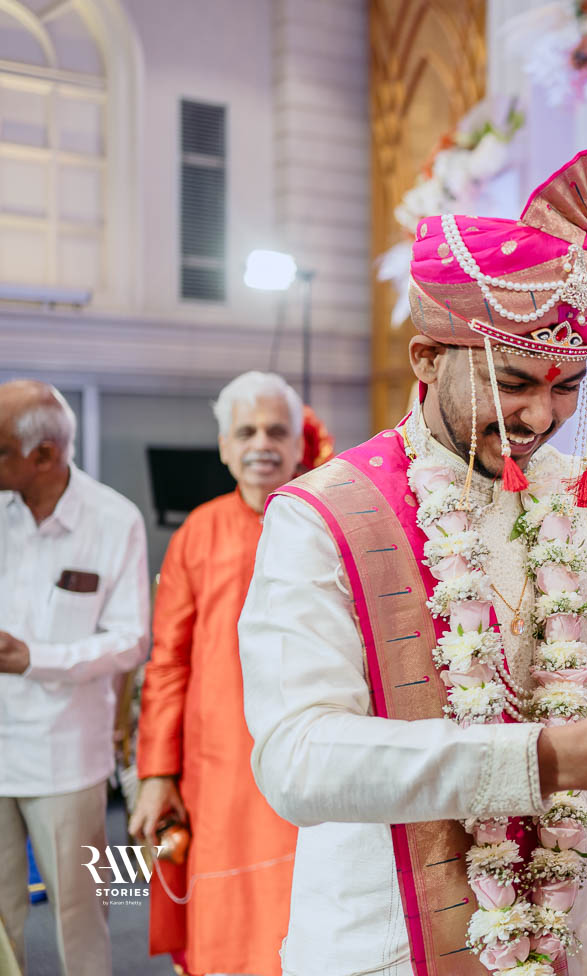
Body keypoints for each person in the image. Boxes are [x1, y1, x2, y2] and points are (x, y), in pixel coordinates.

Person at [238, 144, 587, 976]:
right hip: (389, 939)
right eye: (512, 382)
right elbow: (298, 759)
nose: (540, 417)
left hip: (585, 929)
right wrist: (554, 759)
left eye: (567, 386)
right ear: (427, 359)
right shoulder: (322, 518)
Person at [130, 371, 329, 976]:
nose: (261, 444)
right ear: (224, 447)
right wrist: (156, 774)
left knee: (306, 907)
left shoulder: (330, 525)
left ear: (298, 443)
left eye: (276, 431)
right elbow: (168, 660)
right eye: (246, 433)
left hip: (312, 748)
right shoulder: (197, 532)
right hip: (215, 764)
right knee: (225, 915)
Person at [0, 379, 150, 975]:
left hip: (65, 759)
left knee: (80, 919)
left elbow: (132, 639)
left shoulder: (113, 519)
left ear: (43, 455)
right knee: (1, 921)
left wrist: (33, 658)